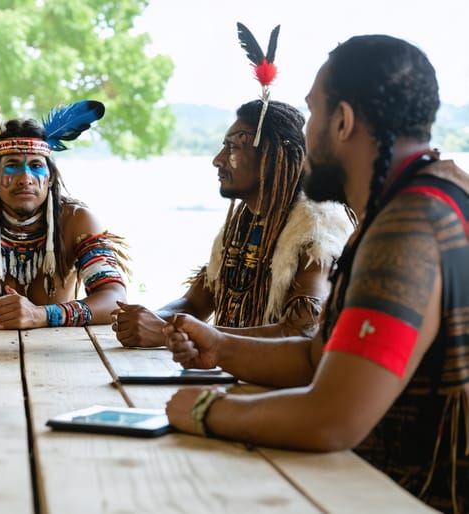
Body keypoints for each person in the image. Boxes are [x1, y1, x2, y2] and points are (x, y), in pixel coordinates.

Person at [163, 35, 467, 512]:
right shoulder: (433, 198)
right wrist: (220, 346)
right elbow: (319, 357)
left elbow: (332, 418)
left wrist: (205, 410)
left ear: (342, 121)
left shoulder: (407, 229)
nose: (304, 136)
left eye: (312, 113)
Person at [112, 106, 353, 347]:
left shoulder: (317, 228)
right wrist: (146, 320)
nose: (217, 160)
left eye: (233, 147)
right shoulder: (243, 222)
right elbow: (194, 304)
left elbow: (301, 332)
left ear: (271, 157)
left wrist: (168, 331)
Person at [0, 65, 128, 329]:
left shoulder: (76, 222)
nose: (25, 177)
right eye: (13, 164)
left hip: (58, 357)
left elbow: (114, 299)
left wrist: (43, 316)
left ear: (50, 177)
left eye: (36, 166)